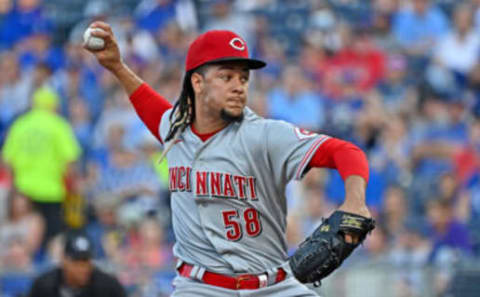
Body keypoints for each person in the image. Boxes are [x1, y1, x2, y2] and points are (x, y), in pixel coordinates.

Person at [85, 21, 372, 296]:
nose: (239, 86)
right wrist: (117, 66)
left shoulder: (265, 135)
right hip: (199, 288)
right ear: (197, 82)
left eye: (243, 78)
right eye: (227, 76)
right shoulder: (175, 128)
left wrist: (355, 202)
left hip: (272, 286)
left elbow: (346, 152)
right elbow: (150, 106)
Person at [2, 86, 82, 249]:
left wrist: (14, 186)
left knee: (24, 240)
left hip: (23, 192)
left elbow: (7, 161)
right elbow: (70, 162)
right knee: (52, 238)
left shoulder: (20, 124)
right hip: (51, 191)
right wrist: (73, 187)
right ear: (54, 105)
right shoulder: (58, 125)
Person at [28, 231, 127, 297]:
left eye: (86, 262)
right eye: (77, 263)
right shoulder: (44, 285)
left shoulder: (108, 286)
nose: (83, 269)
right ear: (64, 260)